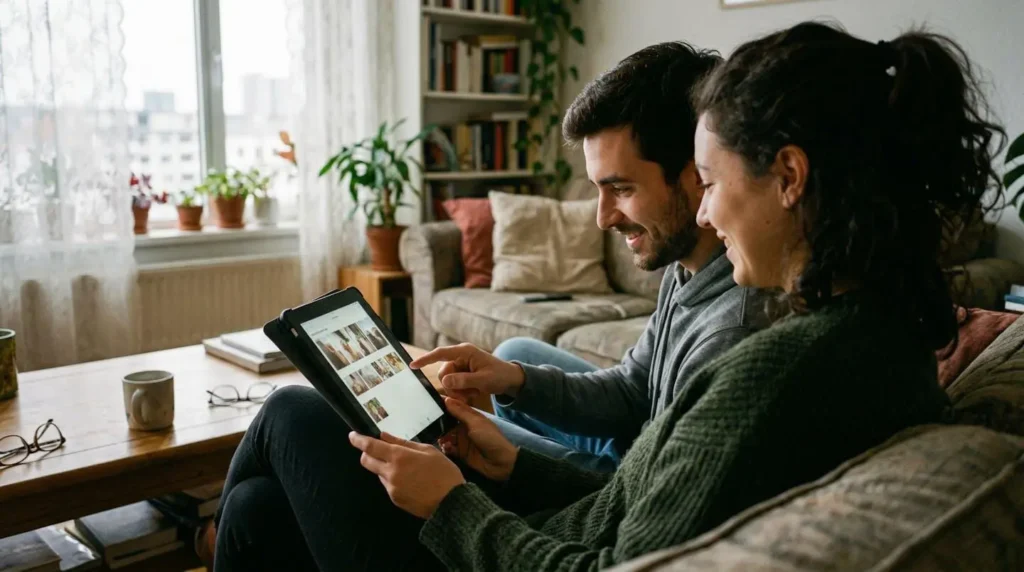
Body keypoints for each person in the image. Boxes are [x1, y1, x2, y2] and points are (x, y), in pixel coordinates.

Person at [205, 22, 1005, 571]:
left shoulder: (778, 366)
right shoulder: (871, 331)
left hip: (506, 552)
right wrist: (510, 462)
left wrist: (452, 505)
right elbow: (639, 506)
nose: (706, 210)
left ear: (789, 178)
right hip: (535, 527)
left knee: (289, 415)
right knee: (256, 517)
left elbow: (608, 556)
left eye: (716, 181)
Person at [432, 41, 772, 473]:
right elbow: (635, 389)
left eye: (622, 189)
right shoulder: (689, 261)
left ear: (697, 175)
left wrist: (514, 467)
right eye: (598, 188)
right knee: (516, 356)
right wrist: (514, 378)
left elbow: (640, 512)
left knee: (446, 438)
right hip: (642, 447)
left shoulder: (731, 333)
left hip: (632, 490)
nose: (602, 218)